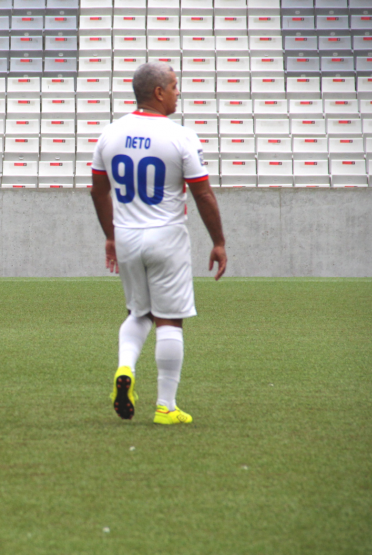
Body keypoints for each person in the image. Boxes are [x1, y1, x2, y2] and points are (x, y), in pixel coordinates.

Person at [89, 62, 227, 425]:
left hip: (128, 237)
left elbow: (98, 190)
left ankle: (125, 368)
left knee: (138, 312)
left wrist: (110, 236)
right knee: (170, 320)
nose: (179, 92)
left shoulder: (110, 133)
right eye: (175, 86)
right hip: (166, 236)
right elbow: (203, 194)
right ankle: (166, 406)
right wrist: (219, 241)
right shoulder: (181, 136)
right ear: (159, 93)